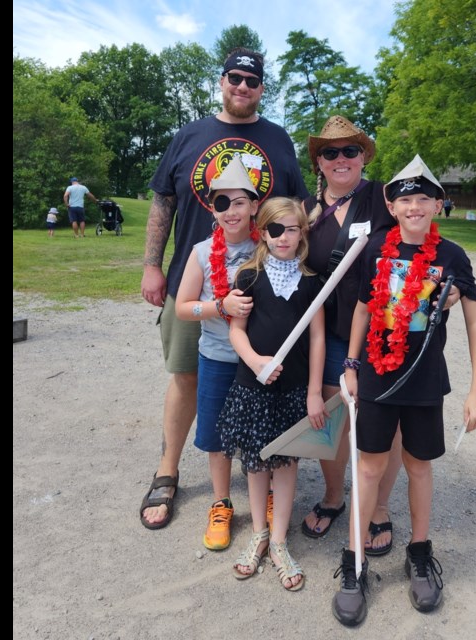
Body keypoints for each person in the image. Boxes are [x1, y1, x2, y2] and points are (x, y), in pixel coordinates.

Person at [139, 48, 309, 534]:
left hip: (261, 287)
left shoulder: (278, 140)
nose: (242, 86)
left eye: (252, 80)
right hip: (194, 279)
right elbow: (163, 202)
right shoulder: (190, 134)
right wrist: (153, 265)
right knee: (187, 378)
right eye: (235, 77)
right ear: (223, 80)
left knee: (262, 382)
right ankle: (168, 469)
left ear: (261, 88)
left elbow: (295, 211)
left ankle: (261, 478)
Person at [332, 155, 476, 627]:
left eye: (423, 198)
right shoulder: (377, 248)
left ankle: (419, 554)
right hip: (377, 377)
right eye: (405, 199)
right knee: (370, 466)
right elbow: (361, 310)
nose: (414, 206)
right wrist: (352, 365)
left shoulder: (452, 257)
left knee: (420, 466)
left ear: (438, 205)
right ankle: (353, 563)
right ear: (391, 205)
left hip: (424, 380)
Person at [301, 115, 457, 557]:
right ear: (319, 162)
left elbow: (423, 237)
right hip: (329, 330)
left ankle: (380, 508)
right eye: (330, 152)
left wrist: (450, 289)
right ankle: (335, 497)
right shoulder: (305, 209)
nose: (341, 159)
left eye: (350, 150)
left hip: (382, 333)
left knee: (387, 430)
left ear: (364, 156)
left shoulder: (382, 198)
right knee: (333, 421)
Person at [217, 197, 325, 591]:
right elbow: (236, 330)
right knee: (257, 461)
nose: (284, 237)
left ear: (302, 232)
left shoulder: (314, 280)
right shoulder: (248, 276)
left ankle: (279, 540)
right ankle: (259, 532)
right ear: (262, 232)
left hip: (294, 390)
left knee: (286, 463)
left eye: (292, 229)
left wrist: (314, 391)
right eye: (275, 230)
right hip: (253, 386)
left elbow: (316, 338)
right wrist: (255, 361)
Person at [171, 160, 260, 550]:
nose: (231, 211)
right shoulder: (203, 252)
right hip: (217, 356)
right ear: (212, 209)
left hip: (259, 357)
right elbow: (182, 307)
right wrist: (219, 306)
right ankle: (221, 502)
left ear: (256, 205)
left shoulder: (270, 244)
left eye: (239, 202)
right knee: (217, 435)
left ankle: (266, 496)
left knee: (262, 431)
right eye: (221, 203)